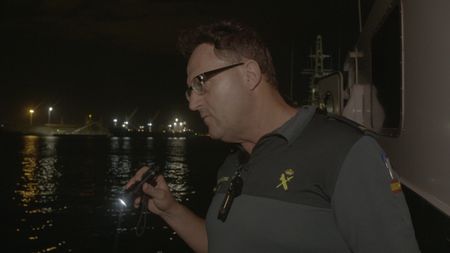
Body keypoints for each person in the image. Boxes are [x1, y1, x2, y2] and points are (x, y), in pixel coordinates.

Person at [125, 20, 420, 253]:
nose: (193, 103)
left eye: (201, 83)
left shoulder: (344, 151)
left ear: (249, 75)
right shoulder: (232, 165)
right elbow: (224, 244)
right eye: (190, 90)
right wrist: (171, 210)